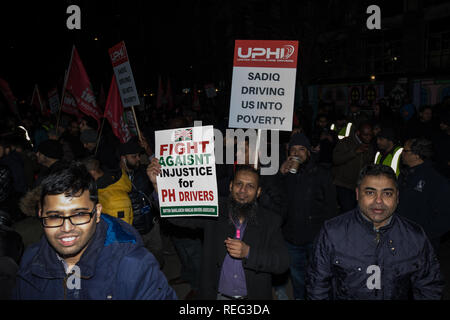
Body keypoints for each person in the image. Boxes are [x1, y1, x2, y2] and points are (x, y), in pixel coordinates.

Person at [13, 162, 176, 300]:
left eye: (79, 214)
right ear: (40, 214)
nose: (67, 228)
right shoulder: (30, 259)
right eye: (55, 216)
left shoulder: (134, 268)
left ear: (97, 213)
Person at [147, 162, 290, 300]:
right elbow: (180, 217)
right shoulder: (214, 209)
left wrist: (248, 253)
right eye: (239, 184)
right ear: (230, 186)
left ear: (258, 192)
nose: (242, 190)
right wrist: (158, 186)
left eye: (250, 186)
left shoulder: (270, 220)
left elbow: (282, 263)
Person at [306, 164, 444, 300]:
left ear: (397, 197)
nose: (378, 200)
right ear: (357, 194)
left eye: (387, 193)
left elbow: (429, 286)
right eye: (370, 192)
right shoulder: (332, 233)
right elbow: (317, 286)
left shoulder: (415, 236)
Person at [278, 133, 337, 300]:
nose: (297, 153)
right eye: (293, 149)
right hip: (291, 238)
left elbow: (331, 206)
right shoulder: (284, 173)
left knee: (319, 277)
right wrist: (281, 175)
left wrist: (329, 235)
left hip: (316, 238)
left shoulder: (321, 174)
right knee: (297, 277)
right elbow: (274, 200)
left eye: (301, 149)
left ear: (309, 152)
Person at [398, 138, 450, 251]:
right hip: (401, 238)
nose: (402, 153)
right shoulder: (405, 175)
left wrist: (423, 235)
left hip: (421, 244)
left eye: (405, 151)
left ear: (417, 155)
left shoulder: (435, 180)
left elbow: (445, 216)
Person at [119, 139, 164, 268]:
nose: (138, 159)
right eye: (134, 156)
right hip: (133, 231)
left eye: (139, 155)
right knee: (140, 265)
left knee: (158, 259)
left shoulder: (144, 172)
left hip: (152, 226)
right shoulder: (114, 179)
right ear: (123, 158)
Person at [332, 122, 375, 213]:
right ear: (358, 133)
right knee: (347, 212)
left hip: (359, 186)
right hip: (344, 184)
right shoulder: (345, 142)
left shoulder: (370, 146)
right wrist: (355, 152)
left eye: (370, 135)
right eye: (365, 135)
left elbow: (369, 164)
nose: (368, 137)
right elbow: (336, 159)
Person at [83, 157, 133, 225]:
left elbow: (122, 230)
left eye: (83, 176)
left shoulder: (117, 199)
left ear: (92, 173)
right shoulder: (99, 188)